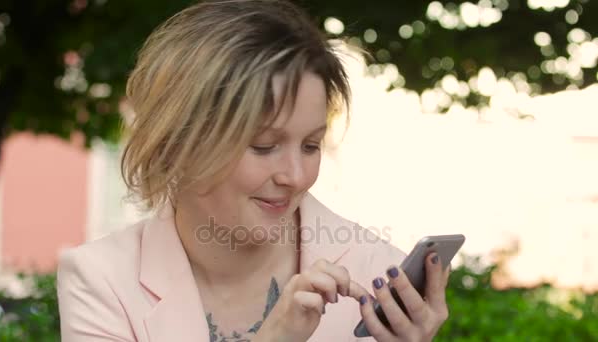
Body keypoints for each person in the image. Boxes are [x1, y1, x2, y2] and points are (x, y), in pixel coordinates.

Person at [56, 0, 451, 341]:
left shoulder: (378, 272)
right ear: (178, 141)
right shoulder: (102, 280)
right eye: (264, 147)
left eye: (311, 145)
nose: (295, 175)